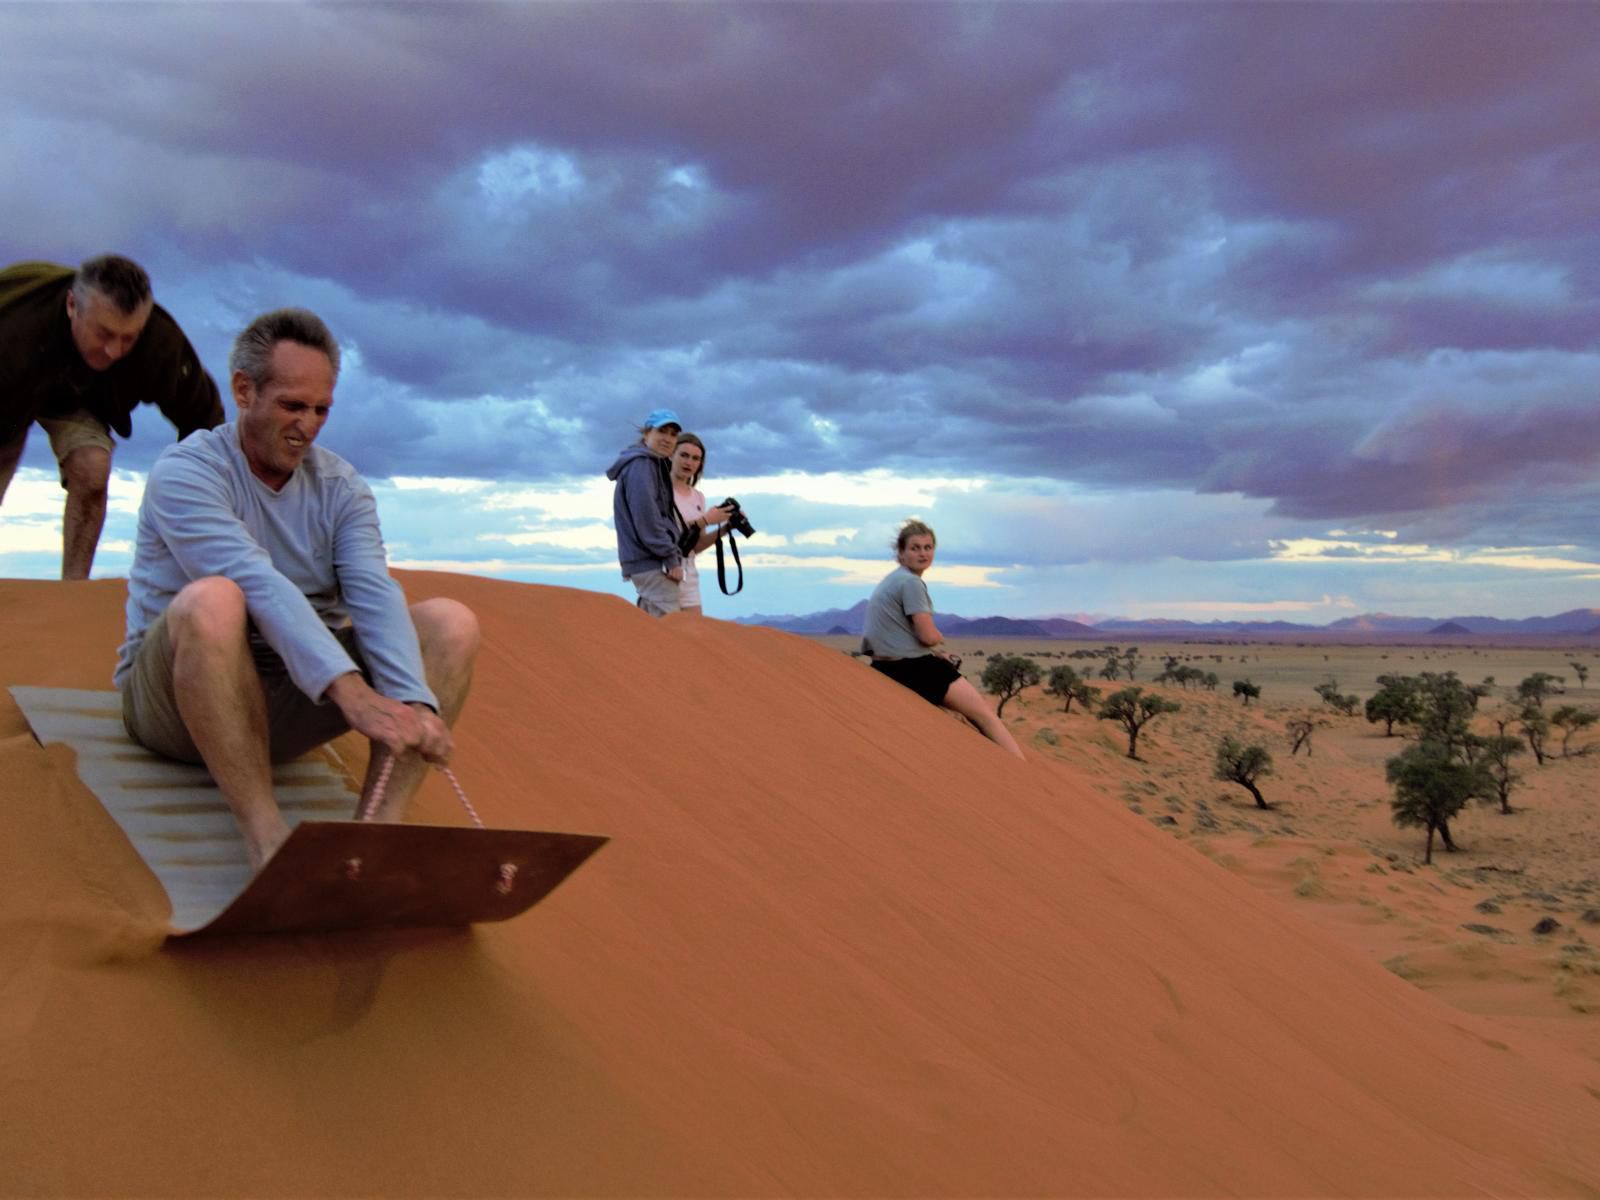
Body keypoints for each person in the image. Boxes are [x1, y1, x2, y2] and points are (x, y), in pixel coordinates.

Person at [113, 307, 480, 870]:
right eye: (291, 405)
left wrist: (413, 702)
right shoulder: (187, 473)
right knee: (216, 599)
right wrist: (353, 695)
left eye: (320, 410)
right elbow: (255, 581)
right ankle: (267, 844)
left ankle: (379, 834)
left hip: (287, 702)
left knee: (451, 622)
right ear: (243, 391)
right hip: (177, 706)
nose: (306, 425)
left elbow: (373, 594)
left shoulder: (340, 488)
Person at [0, 255, 223, 579]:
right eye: (104, 334)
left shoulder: (160, 342)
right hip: (8, 390)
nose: (114, 351)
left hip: (77, 400)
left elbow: (204, 422)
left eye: (128, 338)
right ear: (72, 305)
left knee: (93, 468)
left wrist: (197, 502)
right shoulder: (14, 325)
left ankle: (73, 593)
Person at [863, 520, 1024, 759]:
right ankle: (1021, 770)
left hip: (884, 666)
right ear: (900, 553)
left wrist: (933, 653)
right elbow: (927, 635)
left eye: (928, 547)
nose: (923, 553)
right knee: (987, 717)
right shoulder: (911, 583)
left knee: (962, 712)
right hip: (912, 669)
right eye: (915, 548)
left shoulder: (893, 579)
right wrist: (938, 639)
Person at [607, 408, 698, 617]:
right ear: (647, 433)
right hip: (652, 561)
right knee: (671, 631)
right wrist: (670, 557)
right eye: (661, 431)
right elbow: (647, 520)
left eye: (673, 434)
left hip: (647, 560)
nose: (667, 439)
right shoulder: (642, 466)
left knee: (650, 629)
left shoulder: (652, 465)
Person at [668, 433, 733, 616]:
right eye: (684, 455)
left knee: (694, 638)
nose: (689, 462)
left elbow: (694, 546)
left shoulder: (698, 497)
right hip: (665, 572)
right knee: (662, 638)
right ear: (671, 455)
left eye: (696, 458)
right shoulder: (659, 491)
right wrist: (706, 519)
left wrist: (726, 528)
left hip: (689, 576)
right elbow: (666, 534)